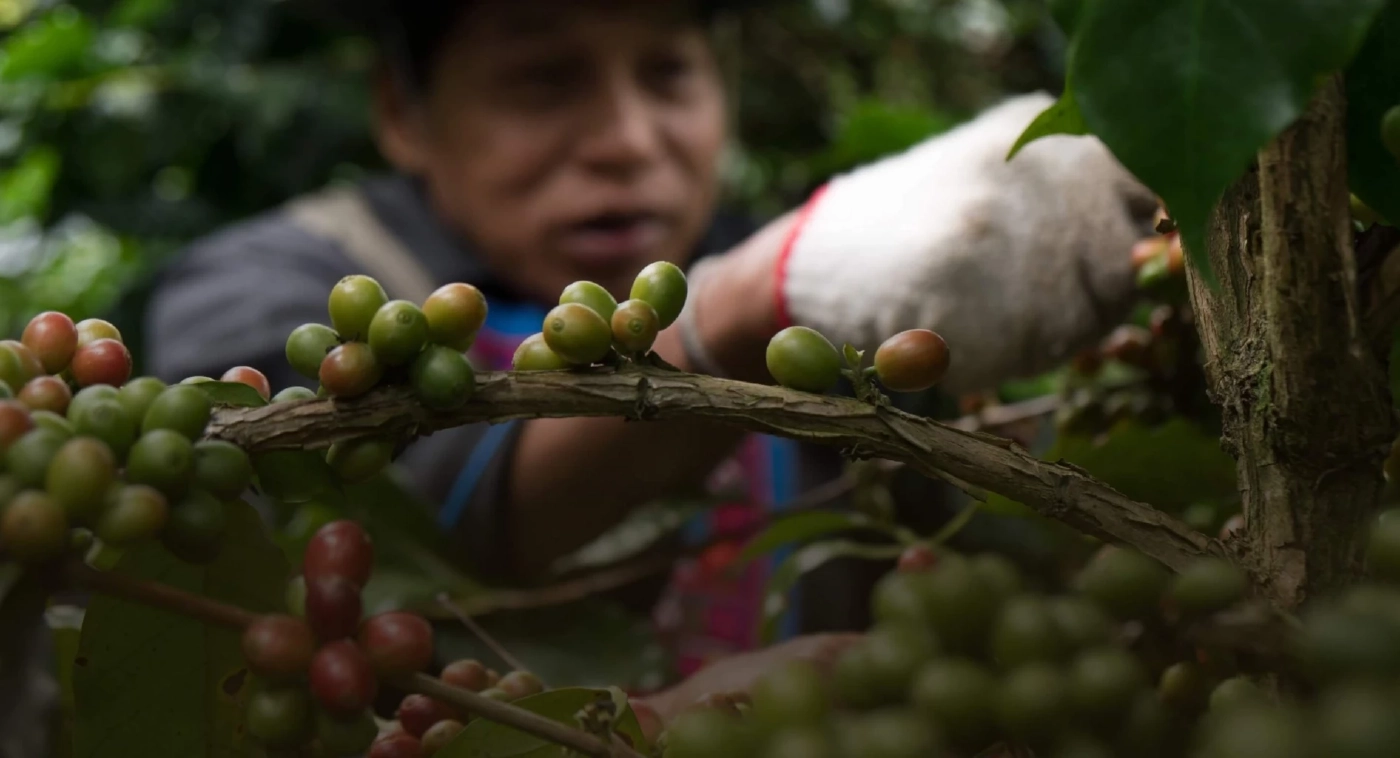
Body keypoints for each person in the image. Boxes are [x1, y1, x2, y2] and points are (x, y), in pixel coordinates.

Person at [142, 0, 1162, 730]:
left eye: (667, 73)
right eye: (543, 80)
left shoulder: (812, 272)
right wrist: (751, 303)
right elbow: (428, 512)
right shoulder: (266, 293)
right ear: (404, 113)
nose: (627, 141)